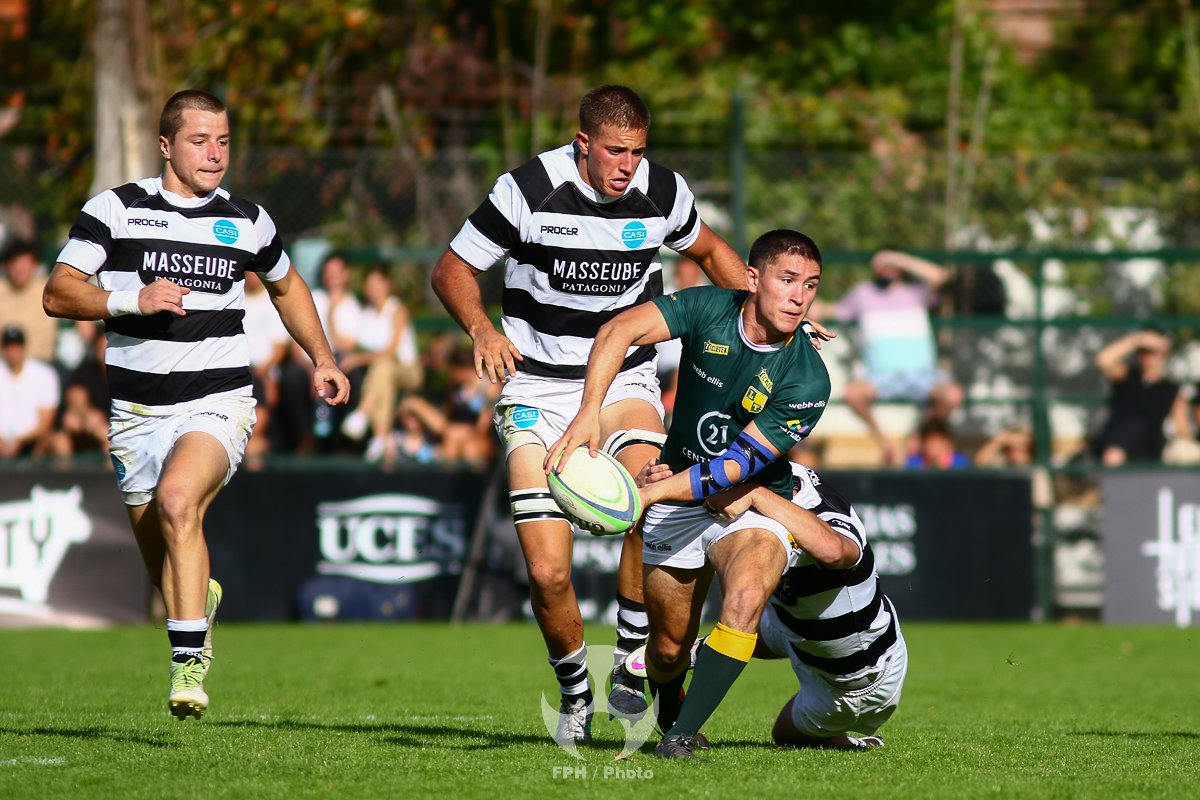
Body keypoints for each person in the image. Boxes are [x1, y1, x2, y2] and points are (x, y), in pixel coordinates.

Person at [429, 84, 751, 743]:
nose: (627, 165)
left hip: (626, 377)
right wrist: (482, 330)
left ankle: (632, 659)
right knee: (548, 572)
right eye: (614, 151)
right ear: (584, 143)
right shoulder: (527, 188)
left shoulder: (662, 192)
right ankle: (576, 692)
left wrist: (767, 319)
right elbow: (452, 269)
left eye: (637, 151)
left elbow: (714, 254)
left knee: (654, 500)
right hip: (536, 390)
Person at [42, 89, 349, 720]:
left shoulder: (248, 219)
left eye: (225, 141)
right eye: (200, 140)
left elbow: (288, 288)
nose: (215, 155)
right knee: (166, 568)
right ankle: (196, 599)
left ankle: (188, 666)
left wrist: (323, 357)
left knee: (181, 502)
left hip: (218, 402)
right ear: (166, 144)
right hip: (133, 415)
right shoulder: (115, 210)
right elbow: (58, 292)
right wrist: (132, 301)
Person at [545, 229, 831, 760]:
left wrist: (647, 495)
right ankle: (669, 700)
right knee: (670, 648)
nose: (799, 296)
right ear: (753, 279)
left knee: (744, 599)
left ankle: (679, 736)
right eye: (787, 280)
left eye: (810, 286)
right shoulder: (708, 307)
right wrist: (589, 413)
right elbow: (617, 330)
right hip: (678, 500)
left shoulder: (808, 378)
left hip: (750, 501)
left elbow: (733, 468)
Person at [629, 460, 907, 753]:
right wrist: (652, 487)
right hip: (791, 629)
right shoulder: (766, 475)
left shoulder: (816, 506)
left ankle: (852, 740)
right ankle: (694, 656)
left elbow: (838, 552)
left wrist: (756, 494)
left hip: (853, 680)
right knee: (749, 625)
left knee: (785, 734)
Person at [812, 249, 964, 465]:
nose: (886, 266)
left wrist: (898, 258)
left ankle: (918, 437)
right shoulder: (863, 294)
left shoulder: (916, 292)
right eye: (881, 262)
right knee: (853, 393)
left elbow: (941, 276)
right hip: (881, 376)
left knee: (952, 394)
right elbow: (833, 310)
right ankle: (886, 443)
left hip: (922, 375)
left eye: (890, 262)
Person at [339, 265, 422, 467]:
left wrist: (358, 359)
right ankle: (380, 437)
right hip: (382, 373)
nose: (373, 289)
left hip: (408, 370)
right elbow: (350, 343)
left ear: (387, 285)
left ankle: (364, 411)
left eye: (377, 284)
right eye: (370, 284)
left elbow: (391, 350)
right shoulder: (366, 314)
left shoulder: (397, 310)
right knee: (382, 372)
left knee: (383, 365)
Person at [1092, 328, 1192, 466]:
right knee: (1116, 450)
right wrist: (1137, 339)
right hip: (1118, 442)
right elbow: (1103, 360)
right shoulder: (1127, 375)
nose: (1147, 355)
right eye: (1143, 350)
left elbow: (1183, 430)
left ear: (1164, 352)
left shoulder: (1171, 390)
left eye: (1152, 351)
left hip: (1150, 447)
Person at [0, 324, 60, 459]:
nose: (13, 351)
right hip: (2, 442)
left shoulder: (44, 374)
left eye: (17, 346)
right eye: (9, 347)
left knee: (58, 442)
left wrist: (20, 441)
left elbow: (45, 422)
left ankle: (64, 479)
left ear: (24, 348)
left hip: (32, 443)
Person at [0, 239, 59, 363]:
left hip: (42, 362)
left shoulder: (48, 289)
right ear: (7, 266)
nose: (21, 270)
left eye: (25, 265)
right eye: (16, 264)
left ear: (34, 266)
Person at [905, 417, 970, 469]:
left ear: (948, 443)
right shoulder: (914, 463)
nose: (933, 447)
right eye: (930, 442)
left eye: (937, 441)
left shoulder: (962, 464)